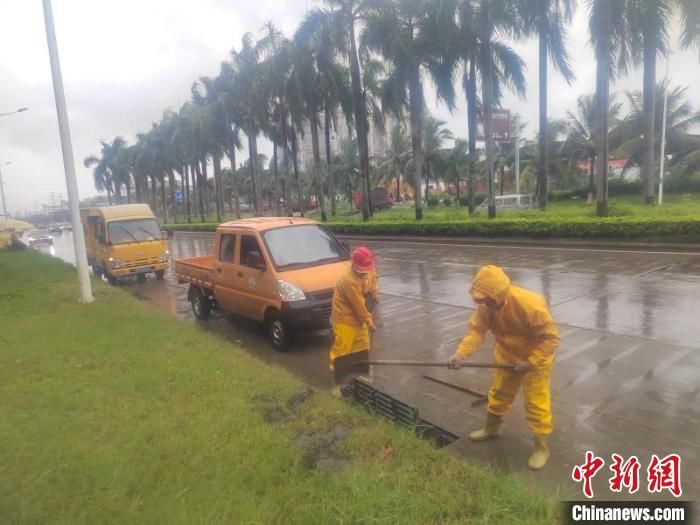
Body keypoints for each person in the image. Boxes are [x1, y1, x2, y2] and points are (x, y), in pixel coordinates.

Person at [448, 265, 560, 470]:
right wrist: (460, 353)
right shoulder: (487, 307)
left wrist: (530, 362)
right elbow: (476, 331)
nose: (483, 303)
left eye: (487, 298)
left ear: (498, 292)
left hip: (535, 361)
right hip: (507, 356)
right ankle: (492, 429)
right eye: (481, 299)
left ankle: (542, 448)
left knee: (536, 403)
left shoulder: (530, 305)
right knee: (499, 394)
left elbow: (551, 339)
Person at [329, 247, 376, 397]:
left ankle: (360, 378)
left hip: (359, 318)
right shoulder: (349, 280)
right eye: (361, 270)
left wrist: (375, 292)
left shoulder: (370, 267)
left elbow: (373, 280)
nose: (364, 272)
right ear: (354, 264)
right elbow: (359, 305)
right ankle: (337, 385)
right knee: (343, 351)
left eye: (366, 269)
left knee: (363, 346)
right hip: (344, 319)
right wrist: (369, 321)